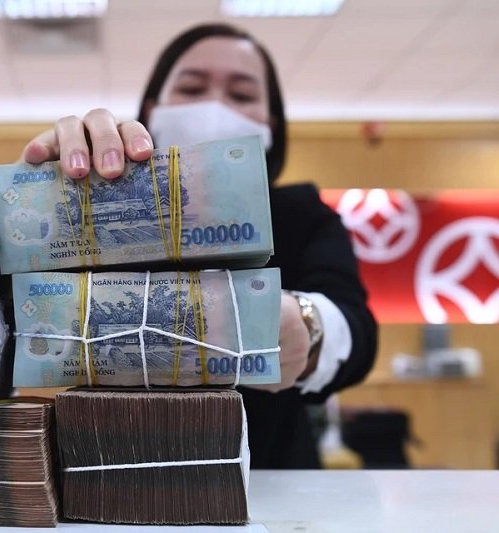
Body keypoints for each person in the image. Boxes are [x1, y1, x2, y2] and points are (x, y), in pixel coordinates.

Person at [21, 23, 378, 468]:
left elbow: (358, 331)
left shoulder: (302, 214)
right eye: (191, 88)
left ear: (270, 124)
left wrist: (309, 324)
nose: (214, 106)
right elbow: (14, 320)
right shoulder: (96, 206)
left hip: (271, 477)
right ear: (152, 110)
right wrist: (43, 203)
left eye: (242, 94)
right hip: (107, 469)